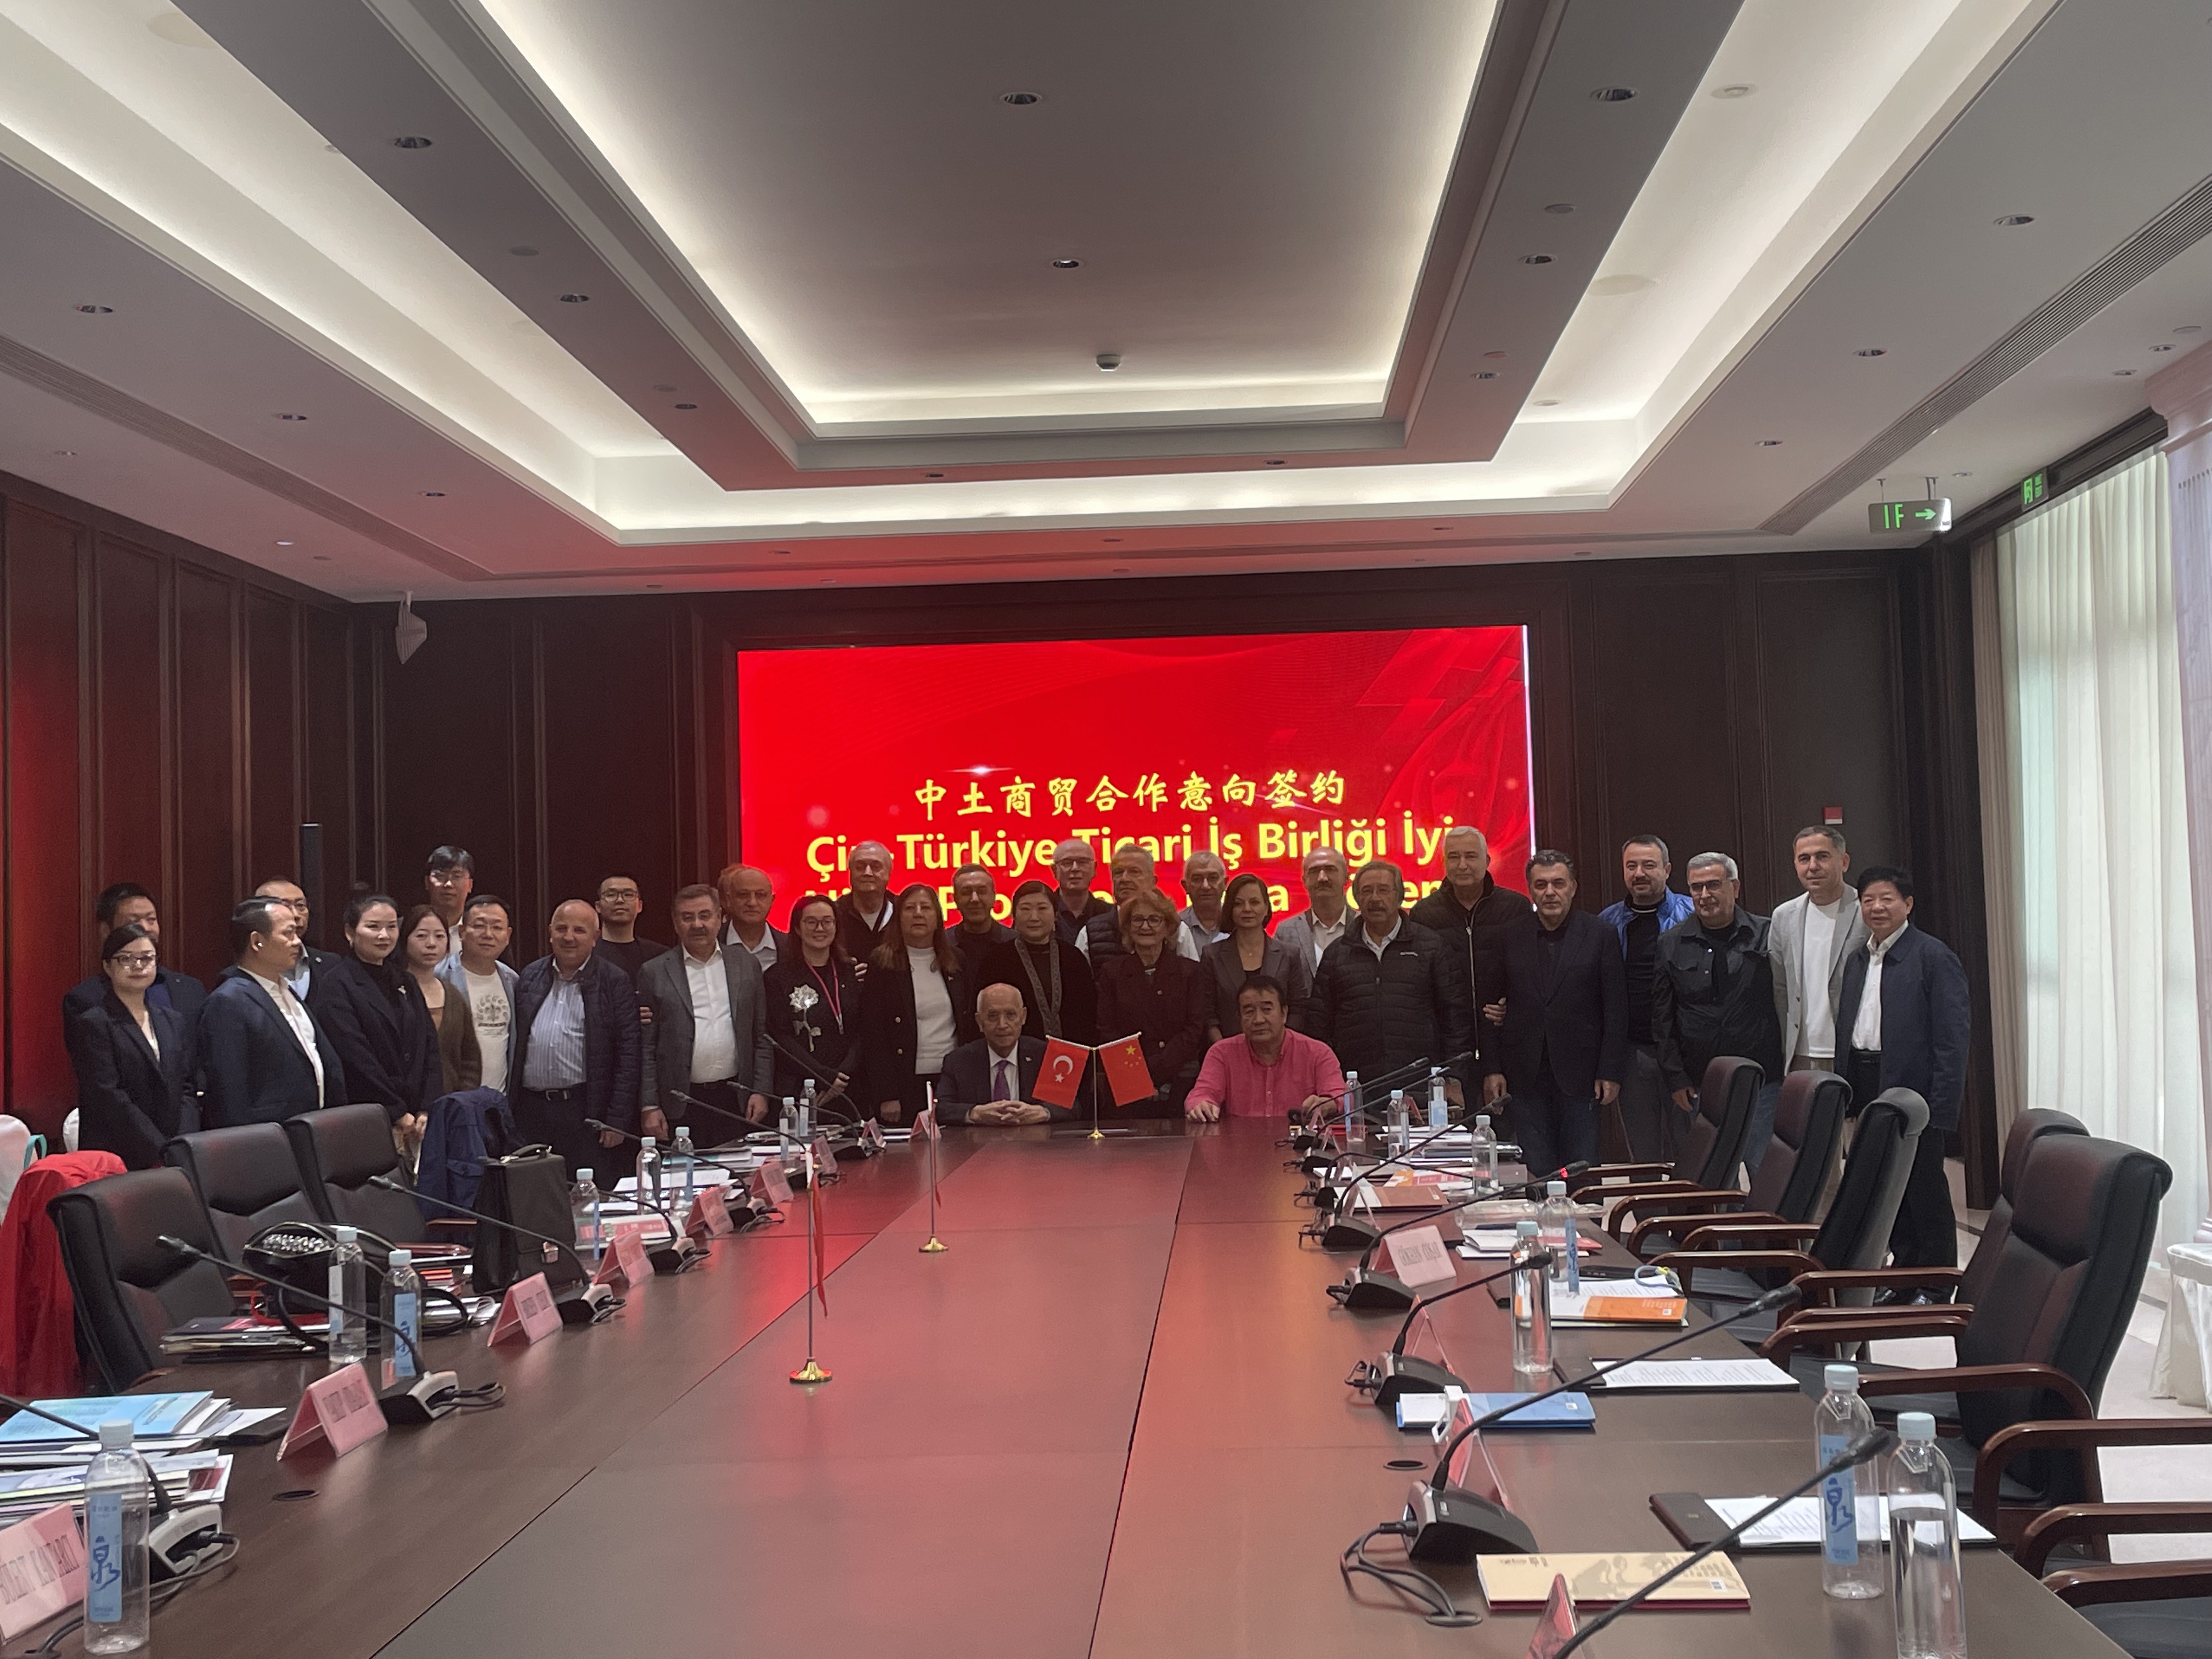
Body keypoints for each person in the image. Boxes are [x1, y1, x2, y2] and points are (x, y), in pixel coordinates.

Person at [1835, 867, 1970, 1274]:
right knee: (1885, 1187)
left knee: (1923, 1188)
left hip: (1914, 1092)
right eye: (1868, 900)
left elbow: (1953, 1040)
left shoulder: (1933, 957)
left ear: (1908, 905)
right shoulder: (1859, 958)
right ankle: (1904, 1272)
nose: (1877, 907)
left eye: (1887, 899)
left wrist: (1941, 1108)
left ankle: (1936, 1280)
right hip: (1866, 1081)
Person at [1481, 851, 1626, 1178]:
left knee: (1581, 1170)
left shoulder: (1600, 934)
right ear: (1530, 890)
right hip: (1524, 1074)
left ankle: (1584, 1216)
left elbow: (1616, 1009)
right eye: (1541, 885)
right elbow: (1490, 1009)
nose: (1550, 892)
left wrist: (1611, 1070)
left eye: (1558, 884)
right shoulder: (1508, 936)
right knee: (1536, 1171)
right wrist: (1492, 1068)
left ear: (1573, 887)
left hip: (1583, 1074)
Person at [1651, 854, 1783, 1173]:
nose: (1704, 895)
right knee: (1714, 1175)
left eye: (1713, 885)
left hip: (1763, 1081)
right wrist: (1676, 1078)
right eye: (1696, 888)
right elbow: (1662, 1019)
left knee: (1767, 1174)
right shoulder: (1671, 943)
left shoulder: (1767, 934)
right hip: (1701, 1083)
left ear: (1734, 887)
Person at [1313, 861, 1474, 1110]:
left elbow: (1456, 1020)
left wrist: (1454, 1078)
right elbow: (1319, 1025)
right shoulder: (1337, 954)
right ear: (1356, 899)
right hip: (1356, 1091)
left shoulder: (1431, 947)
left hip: (1421, 1087)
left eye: (1384, 890)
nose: (1375, 899)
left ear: (1400, 896)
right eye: (1367, 891)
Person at [511, 900, 645, 1179]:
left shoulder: (614, 981)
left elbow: (629, 1055)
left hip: (584, 1111)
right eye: (561, 929)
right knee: (537, 1193)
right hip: (531, 1111)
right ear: (550, 933)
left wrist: (616, 1120)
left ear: (595, 937)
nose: (569, 937)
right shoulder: (530, 976)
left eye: (579, 930)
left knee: (587, 1192)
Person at [196, 896, 348, 1126]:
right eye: (288, 933)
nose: (298, 942)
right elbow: (229, 1093)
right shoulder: (228, 1001)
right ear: (257, 942)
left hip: (313, 1130)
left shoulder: (287, 990)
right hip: (269, 1138)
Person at [308, 891, 442, 1147]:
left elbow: (429, 1046)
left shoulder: (406, 980)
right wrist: (396, 1111)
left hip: (418, 1119)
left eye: (391, 927)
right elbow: (354, 1057)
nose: (384, 935)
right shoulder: (336, 984)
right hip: (369, 1115)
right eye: (373, 927)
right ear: (350, 932)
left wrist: (427, 1107)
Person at [640, 885, 774, 1134]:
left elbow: (761, 1036)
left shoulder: (746, 965)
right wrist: (649, 1105)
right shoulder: (654, 972)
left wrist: (761, 1091)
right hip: (680, 1102)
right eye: (687, 917)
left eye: (705, 915)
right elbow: (647, 1047)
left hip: (738, 1099)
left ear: (720, 917)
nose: (697, 925)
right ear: (675, 922)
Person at [1595, 836, 1695, 1163]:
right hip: (1633, 1053)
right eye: (1632, 866)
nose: (1639, 873)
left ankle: (1692, 1201)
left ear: (1667, 869)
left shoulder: (1692, 914)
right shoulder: (1607, 923)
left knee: (1692, 1152)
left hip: (1684, 1053)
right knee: (1643, 1156)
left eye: (1649, 865)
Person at [67, 923, 196, 1168]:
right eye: (126, 959)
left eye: (146, 958)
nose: (138, 966)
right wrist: (159, 1148)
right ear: (108, 966)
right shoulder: (94, 1023)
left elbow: (187, 1087)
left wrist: (182, 1143)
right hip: (119, 1153)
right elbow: (107, 1095)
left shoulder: (173, 1020)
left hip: (175, 1150)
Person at [854, 885, 966, 1124]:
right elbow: (874, 1033)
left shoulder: (956, 960)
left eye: (926, 908)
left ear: (938, 918)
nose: (918, 914)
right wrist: (887, 1094)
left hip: (952, 1080)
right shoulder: (882, 963)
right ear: (898, 917)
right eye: (909, 908)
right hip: (904, 1082)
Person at [1093, 887, 1209, 1114]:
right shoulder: (1112, 973)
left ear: (1168, 927)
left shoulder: (1190, 972)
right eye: (1138, 920)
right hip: (1128, 1083)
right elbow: (1107, 1030)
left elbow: (1194, 1029)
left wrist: (1159, 1070)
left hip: (1180, 1080)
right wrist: (1139, 1077)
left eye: (1154, 920)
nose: (1145, 927)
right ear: (1128, 927)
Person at [62, 884, 206, 1062]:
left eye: (151, 919)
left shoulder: (190, 989)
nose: (145, 928)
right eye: (133, 922)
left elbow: (203, 1057)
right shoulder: (86, 999)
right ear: (106, 931)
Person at [1770, 826, 1869, 1079]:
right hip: (1799, 1054)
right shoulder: (1784, 916)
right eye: (1804, 859)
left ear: (1844, 862)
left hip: (1854, 1051)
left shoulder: (1866, 911)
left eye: (1822, 856)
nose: (1813, 866)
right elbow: (1780, 987)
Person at [1185, 977, 1346, 1122]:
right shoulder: (1221, 1053)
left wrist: (1327, 1104)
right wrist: (1202, 1105)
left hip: (1299, 1143)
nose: (1259, 1020)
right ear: (1239, 1018)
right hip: (1239, 1143)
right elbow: (1201, 1094)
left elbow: (1341, 1097)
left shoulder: (1318, 1053)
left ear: (1284, 1013)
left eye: (1267, 1010)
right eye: (1249, 1011)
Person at [765, 894, 862, 1107]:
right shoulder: (778, 977)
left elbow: (863, 1030)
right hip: (801, 1086)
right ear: (798, 928)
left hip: (850, 1085)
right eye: (811, 922)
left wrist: (842, 1075)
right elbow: (781, 1038)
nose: (820, 929)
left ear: (836, 926)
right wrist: (822, 1076)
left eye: (827, 922)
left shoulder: (851, 972)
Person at [979, 880, 1098, 1047]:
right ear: (1014, 915)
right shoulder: (997, 960)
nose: (1034, 917)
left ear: (1055, 915)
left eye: (1042, 909)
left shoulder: (1073, 958)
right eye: (1025, 909)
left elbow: (1090, 1013)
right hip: (1015, 1054)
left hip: (1072, 1055)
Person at [1201, 873, 1313, 1041]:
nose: (1247, 909)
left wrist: (1282, 1046)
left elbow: (1298, 1009)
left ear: (1267, 908)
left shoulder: (1289, 955)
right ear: (1230, 910)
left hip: (1281, 1048)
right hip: (1230, 1049)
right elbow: (1208, 1014)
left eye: (1254, 902)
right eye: (1239, 904)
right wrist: (1223, 1049)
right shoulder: (1212, 956)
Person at [934, 984, 1063, 1125]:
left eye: (1010, 1015)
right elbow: (941, 1109)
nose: (1002, 1025)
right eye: (993, 1016)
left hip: (1036, 1138)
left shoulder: (1046, 1056)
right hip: (979, 1139)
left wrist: (1043, 1112)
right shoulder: (958, 1061)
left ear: (1023, 1017)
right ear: (979, 1021)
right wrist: (974, 1113)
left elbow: (1072, 1106)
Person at [438, 894, 517, 1096]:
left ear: (508, 935)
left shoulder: (512, 981)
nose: (488, 934)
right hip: (454, 1100)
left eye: (497, 928)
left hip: (500, 1101)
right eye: (479, 926)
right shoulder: (440, 978)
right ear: (462, 932)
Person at [400, 905, 480, 1098]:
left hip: (450, 1104)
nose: (431, 944)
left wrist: (460, 1100)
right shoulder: (392, 993)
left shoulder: (453, 994)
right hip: (403, 1106)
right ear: (404, 940)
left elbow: (470, 1060)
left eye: (439, 936)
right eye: (421, 936)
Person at [1079, 843, 1200, 965]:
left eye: (1134, 872)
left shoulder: (1176, 929)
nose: (1124, 879)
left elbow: (1192, 973)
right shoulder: (1090, 933)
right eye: (1118, 872)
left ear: (1153, 881)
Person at [253, 877, 342, 999]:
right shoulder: (244, 976)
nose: (296, 915)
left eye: (300, 906)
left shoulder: (331, 965)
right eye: (284, 906)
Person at [1274, 845, 1352, 973]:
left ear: (1346, 878)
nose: (1322, 878)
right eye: (1314, 871)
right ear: (1305, 881)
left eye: (1330, 870)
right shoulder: (1285, 932)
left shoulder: (1365, 927)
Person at [949, 862, 1013, 1014]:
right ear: (955, 899)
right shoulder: (943, 946)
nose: (975, 899)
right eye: (966, 892)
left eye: (982, 891)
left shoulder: (1015, 944)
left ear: (994, 897)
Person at [592, 873, 669, 984]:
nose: (620, 900)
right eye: (611, 895)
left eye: (628, 895)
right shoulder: (586, 953)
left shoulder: (660, 956)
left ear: (640, 906)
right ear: (598, 906)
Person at [833, 840, 896, 963]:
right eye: (860, 867)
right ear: (850, 873)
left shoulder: (903, 912)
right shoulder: (834, 915)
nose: (867, 873)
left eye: (876, 867)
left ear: (889, 873)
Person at [717, 864, 786, 973]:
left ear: (772, 901)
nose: (752, 903)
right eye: (743, 895)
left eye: (760, 895)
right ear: (729, 900)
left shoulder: (792, 948)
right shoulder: (712, 943)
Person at [1051, 839, 1113, 945]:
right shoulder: (1041, 915)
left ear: (1094, 868)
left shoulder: (1111, 915)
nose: (1075, 868)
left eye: (1083, 862)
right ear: (1054, 870)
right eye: (1067, 863)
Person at [1176, 850, 1229, 957]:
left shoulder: (1239, 923)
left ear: (1225, 883)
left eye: (1213, 878)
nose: (1205, 886)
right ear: (1185, 886)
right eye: (1197, 879)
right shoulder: (1175, 927)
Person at [424, 847, 474, 959]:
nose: (448, 884)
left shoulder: (480, 931)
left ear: (470, 885)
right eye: (440, 876)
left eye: (457, 876)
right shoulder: (406, 928)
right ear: (427, 882)